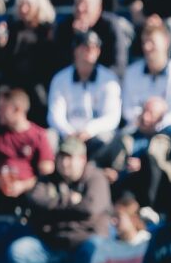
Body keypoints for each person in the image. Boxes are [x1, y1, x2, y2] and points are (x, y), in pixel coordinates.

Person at [10, 138, 112, 263]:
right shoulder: (47, 180)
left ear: (82, 160)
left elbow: (89, 209)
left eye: (70, 158)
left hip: (84, 242)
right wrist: (70, 201)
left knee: (99, 248)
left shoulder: (96, 178)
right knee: (18, 251)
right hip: (51, 244)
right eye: (62, 157)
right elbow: (36, 201)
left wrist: (55, 207)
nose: (65, 163)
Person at [47, 31, 124, 167]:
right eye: (85, 46)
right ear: (75, 50)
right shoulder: (60, 79)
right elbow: (54, 116)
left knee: (110, 138)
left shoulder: (109, 79)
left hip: (94, 136)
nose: (90, 50)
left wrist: (89, 130)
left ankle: (95, 169)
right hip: (67, 136)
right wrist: (69, 132)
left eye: (94, 47)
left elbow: (112, 117)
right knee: (49, 137)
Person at [0, 87, 55, 214]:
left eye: (3, 109)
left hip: (28, 191)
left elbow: (46, 173)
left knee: (43, 198)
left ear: (17, 109)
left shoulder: (38, 135)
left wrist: (23, 185)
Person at [120, 20, 171, 147]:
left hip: (167, 131)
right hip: (138, 129)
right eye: (144, 42)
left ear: (166, 42)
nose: (147, 47)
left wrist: (155, 122)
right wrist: (144, 119)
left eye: (152, 42)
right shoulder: (131, 72)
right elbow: (128, 109)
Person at [0, 0, 58, 113]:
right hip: (14, 84)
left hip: (38, 84)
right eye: (21, 4)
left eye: (28, 5)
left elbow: (52, 64)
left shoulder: (48, 31)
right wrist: (0, 45)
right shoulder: (13, 29)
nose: (24, 9)